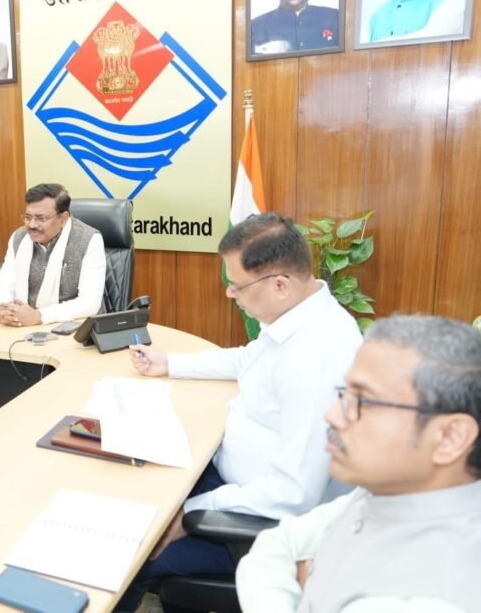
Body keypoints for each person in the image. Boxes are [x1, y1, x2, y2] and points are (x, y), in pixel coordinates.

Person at [115, 212, 363, 611]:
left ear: (280, 285)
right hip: (235, 486)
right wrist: (171, 363)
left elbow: (292, 495)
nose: (231, 295)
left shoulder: (318, 359)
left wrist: (190, 513)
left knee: (131, 552)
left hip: (262, 526)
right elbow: (250, 358)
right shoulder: (301, 315)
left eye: (237, 286)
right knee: (133, 491)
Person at [237, 314, 481, 612]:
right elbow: (276, 544)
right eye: (345, 394)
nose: (332, 415)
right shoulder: (389, 488)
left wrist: (307, 585)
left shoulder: (432, 598)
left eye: (364, 401)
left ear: (450, 438)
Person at [0, 183, 104, 327]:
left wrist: (39, 316)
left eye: (41, 218)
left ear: (63, 218)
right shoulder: (19, 237)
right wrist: (3, 310)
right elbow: (4, 286)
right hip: (23, 326)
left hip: (72, 327)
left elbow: (90, 302)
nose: (32, 225)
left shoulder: (89, 239)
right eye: (28, 217)